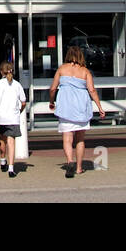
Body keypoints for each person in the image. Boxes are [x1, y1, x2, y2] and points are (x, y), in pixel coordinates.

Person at [49, 46, 104, 178]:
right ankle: (79, 168)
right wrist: (100, 107)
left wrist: (52, 101)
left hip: (66, 108)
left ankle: (70, 161)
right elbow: (92, 90)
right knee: (80, 139)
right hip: (81, 109)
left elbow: (52, 88)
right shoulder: (85, 71)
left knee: (67, 139)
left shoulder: (62, 69)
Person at [0, 60, 27, 177]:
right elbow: (23, 102)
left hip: (2, 117)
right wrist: (19, 111)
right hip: (13, 117)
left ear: (1, 71)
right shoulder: (17, 85)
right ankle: (11, 168)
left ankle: (2, 160)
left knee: (3, 139)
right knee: (11, 142)